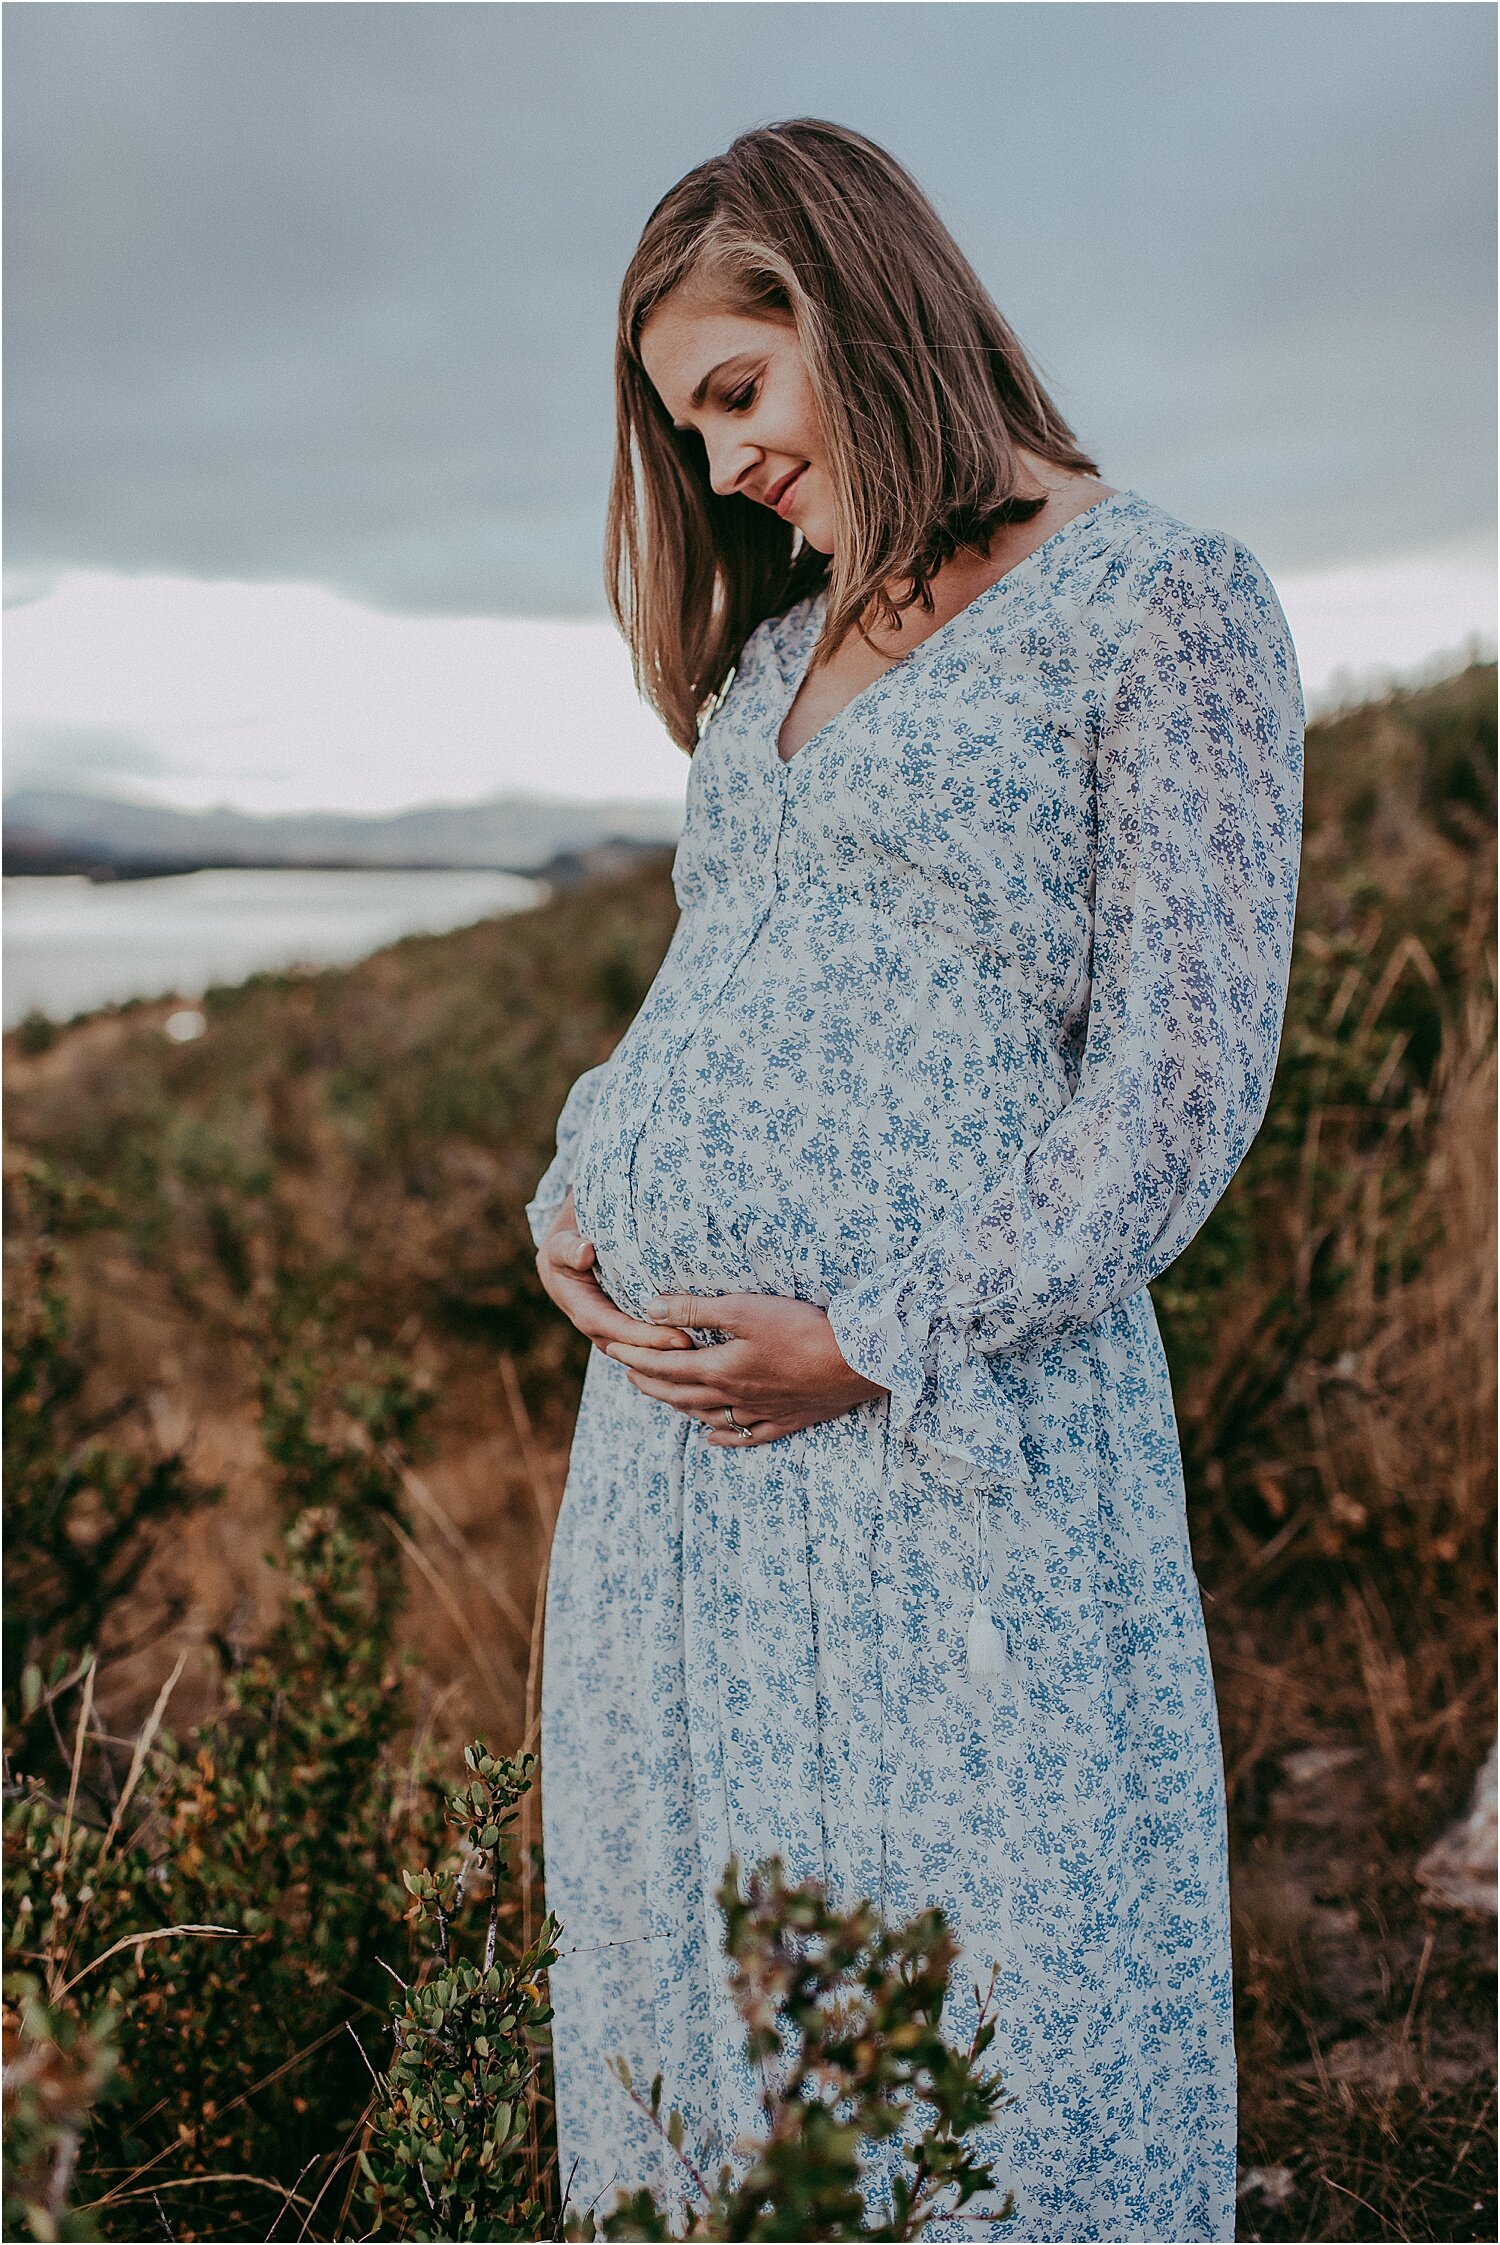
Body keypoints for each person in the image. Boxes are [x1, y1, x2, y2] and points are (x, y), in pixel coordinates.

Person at [528, 118, 1303, 2244]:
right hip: (692, 1490)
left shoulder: (1165, 604)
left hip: (950, 1457)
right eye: (687, 432)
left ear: (854, 306)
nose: (720, 471)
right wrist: (588, 1186)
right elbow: (705, 995)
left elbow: (1173, 1095)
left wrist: (872, 1338)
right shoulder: (778, 665)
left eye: (737, 398)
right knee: (722, 2008)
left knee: (993, 2008)